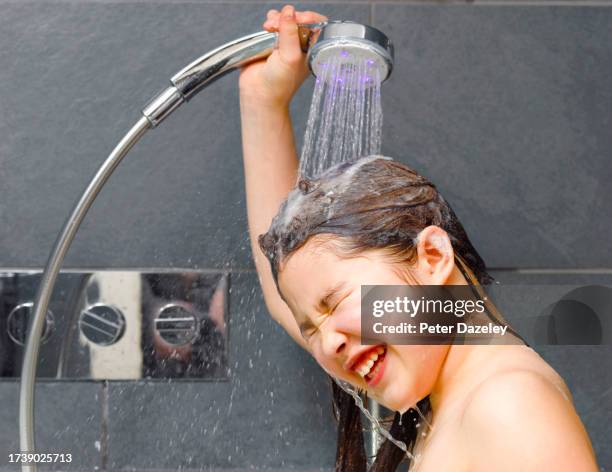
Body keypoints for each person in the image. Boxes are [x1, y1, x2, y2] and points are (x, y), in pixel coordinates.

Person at [239, 5, 599, 471]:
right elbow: (282, 295)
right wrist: (261, 101)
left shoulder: (508, 407)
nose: (326, 344)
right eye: (313, 327)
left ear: (431, 255)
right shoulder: (451, 394)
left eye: (334, 303)